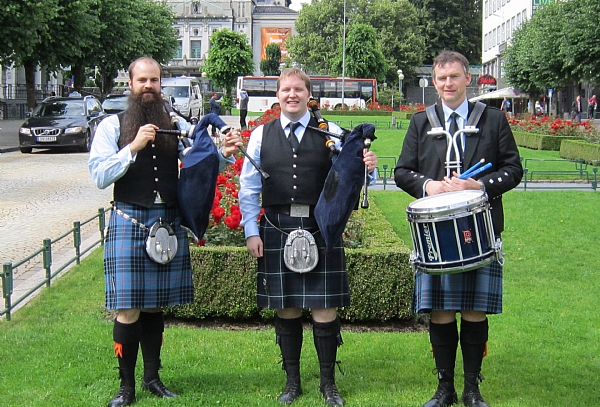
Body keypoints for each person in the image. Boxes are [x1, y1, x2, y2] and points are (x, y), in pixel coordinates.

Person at [89, 57, 240, 407]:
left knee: (155, 307)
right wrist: (133, 148)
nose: (148, 86)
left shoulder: (175, 123)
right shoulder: (112, 127)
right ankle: (126, 388)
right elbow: (99, 176)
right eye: (142, 80)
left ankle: (153, 378)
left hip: (167, 222)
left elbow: (199, 163)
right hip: (130, 220)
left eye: (154, 80)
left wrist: (223, 154)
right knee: (127, 308)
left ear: (161, 84)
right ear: (130, 84)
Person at [239, 68, 378, 406]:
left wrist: (368, 168)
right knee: (286, 308)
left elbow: (352, 177)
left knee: (324, 307)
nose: (292, 95)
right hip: (276, 227)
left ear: (308, 95)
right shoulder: (261, 135)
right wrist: (251, 231)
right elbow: (248, 187)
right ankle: (292, 382)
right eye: (286, 89)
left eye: (298, 89)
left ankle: (328, 383)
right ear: (277, 95)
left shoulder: (329, 133)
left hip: (320, 227)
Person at [394, 51, 523, 407]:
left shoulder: (493, 119)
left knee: (473, 310)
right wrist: (429, 186)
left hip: (480, 232)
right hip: (435, 235)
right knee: (440, 311)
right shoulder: (422, 122)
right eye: (441, 79)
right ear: (434, 84)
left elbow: (513, 169)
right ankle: (444, 388)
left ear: (468, 78)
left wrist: (479, 185)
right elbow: (402, 171)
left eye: (454, 77)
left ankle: (471, 389)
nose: (448, 84)